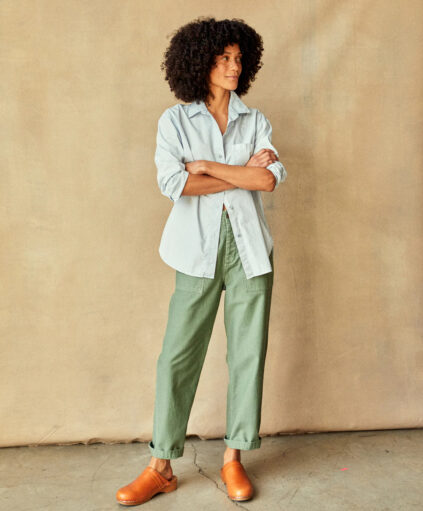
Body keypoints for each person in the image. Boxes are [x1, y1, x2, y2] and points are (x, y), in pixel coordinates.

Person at [116, 16, 287, 506]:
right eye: (223, 58)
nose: (234, 66)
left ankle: (234, 460)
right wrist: (241, 173)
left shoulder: (257, 121)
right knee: (177, 356)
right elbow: (174, 185)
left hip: (251, 251)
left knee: (247, 357)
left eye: (239, 58)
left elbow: (269, 181)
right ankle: (161, 465)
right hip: (196, 249)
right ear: (200, 62)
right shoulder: (174, 121)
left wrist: (209, 166)